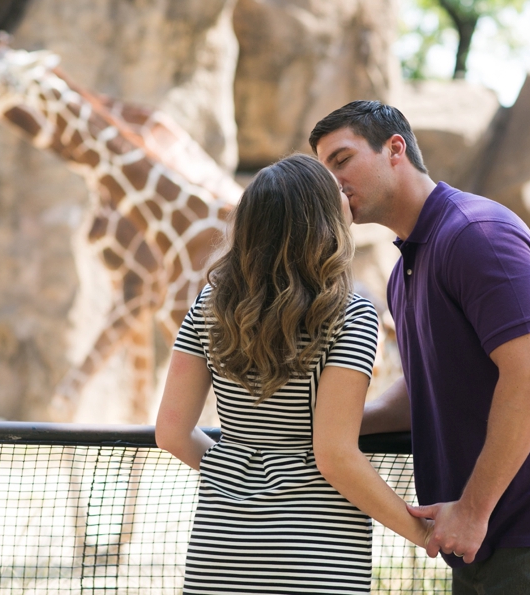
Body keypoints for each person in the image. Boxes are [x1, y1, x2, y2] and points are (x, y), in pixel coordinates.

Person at [310, 101, 530, 594]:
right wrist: (330, 424)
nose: (333, 183)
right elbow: (423, 395)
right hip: (478, 532)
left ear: (396, 149)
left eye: (342, 160)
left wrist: (474, 510)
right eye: (324, 170)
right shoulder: (406, 270)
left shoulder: (477, 235)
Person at [155, 153, 432, 594]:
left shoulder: (210, 305)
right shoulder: (352, 314)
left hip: (218, 552)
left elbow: (170, 432)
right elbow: (334, 453)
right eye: (337, 195)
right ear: (322, 220)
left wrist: (235, 471)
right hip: (315, 560)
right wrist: (423, 534)